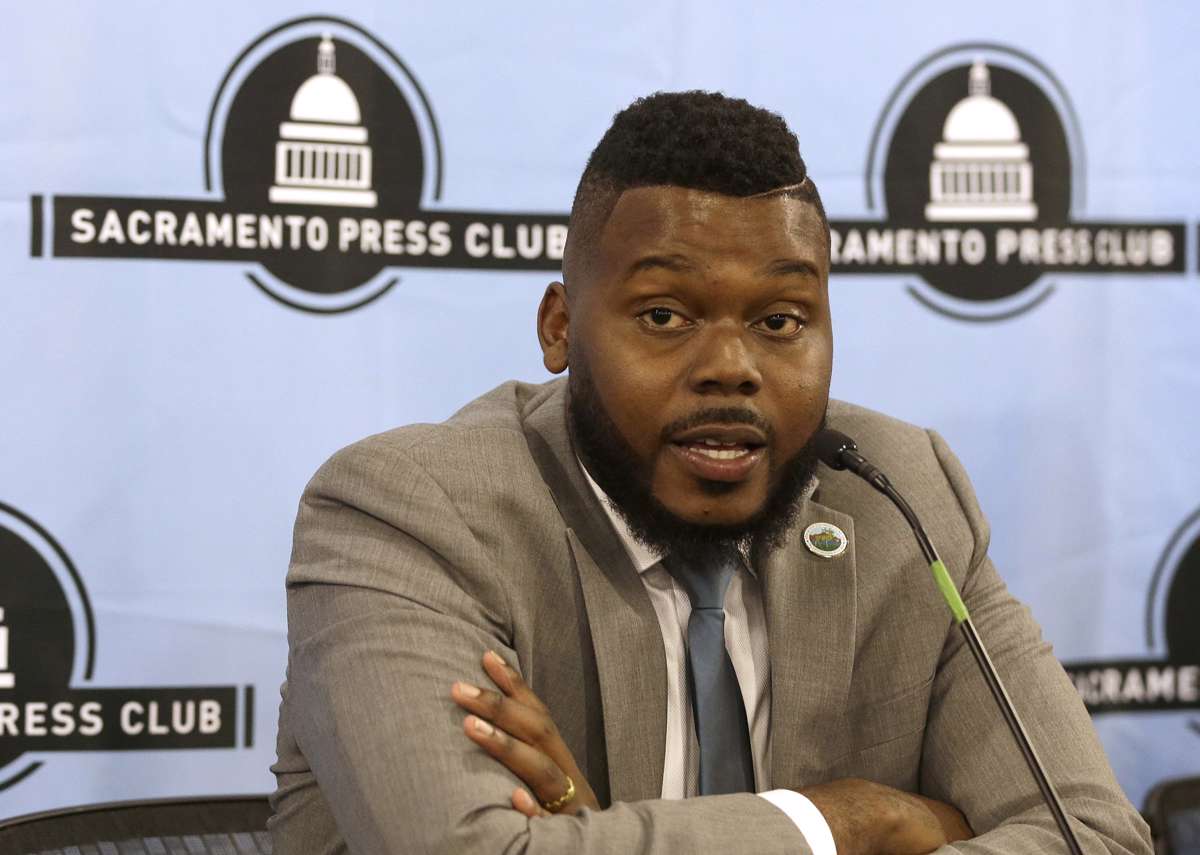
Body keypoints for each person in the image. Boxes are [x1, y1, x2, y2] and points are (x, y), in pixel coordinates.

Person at [268, 91, 1151, 854]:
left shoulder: (906, 495)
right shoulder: (410, 513)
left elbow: (1094, 836)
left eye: (780, 320)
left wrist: (593, 828)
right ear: (560, 327)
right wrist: (849, 823)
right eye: (664, 314)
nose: (732, 367)